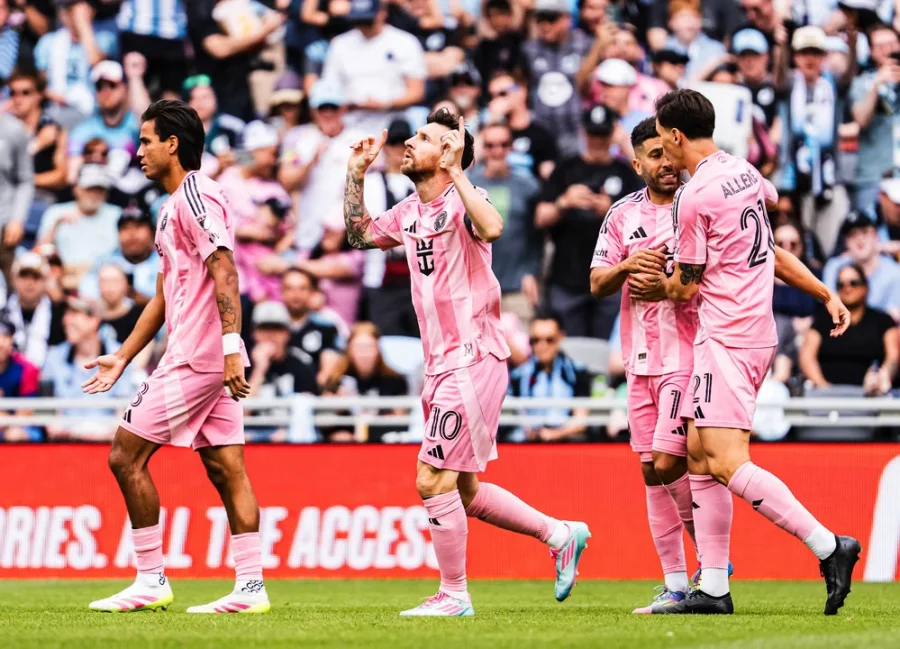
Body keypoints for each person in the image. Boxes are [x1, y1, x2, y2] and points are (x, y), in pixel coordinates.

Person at [342, 106, 589, 616]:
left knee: (431, 479)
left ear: (448, 155)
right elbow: (360, 235)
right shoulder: (409, 211)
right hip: (439, 365)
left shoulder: (465, 200)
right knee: (465, 491)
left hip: (474, 357)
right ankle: (559, 534)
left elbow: (494, 227)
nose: (410, 142)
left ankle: (454, 594)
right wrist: (355, 174)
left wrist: (458, 172)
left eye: (424, 137)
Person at [654, 88, 859, 615]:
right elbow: (767, 242)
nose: (662, 151)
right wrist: (825, 293)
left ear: (675, 135)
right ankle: (713, 588)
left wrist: (656, 274)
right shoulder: (744, 172)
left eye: (661, 140)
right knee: (697, 452)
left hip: (729, 335)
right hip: (746, 330)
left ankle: (828, 545)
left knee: (726, 460)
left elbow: (683, 289)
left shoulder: (694, 196)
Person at [81, 100, 269, 615]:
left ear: (172, 144)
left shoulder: (197, 195)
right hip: (207, 354)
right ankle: (251, 588)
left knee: (124, 456)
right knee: (226, 467)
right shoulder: (170, 207)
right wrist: (123, 356)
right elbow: (164, 295)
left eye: (146, 141)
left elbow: (225, 269)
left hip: (199, 357)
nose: (138, 151)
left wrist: (229, 350)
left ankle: (150, 579)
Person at [589, 118, 699, 612]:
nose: (666, 163)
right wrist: (627, 266)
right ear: (638, 164)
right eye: (654, 156)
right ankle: (675, 583)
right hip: (639, 360)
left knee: (669, 460)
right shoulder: (621, 215)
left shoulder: (697, 204)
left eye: (668, 153)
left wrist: (671, 283)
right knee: (651, 470)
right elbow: (597, 283)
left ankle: (712, 560)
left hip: (687, 355)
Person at [536, 105, 643, 339]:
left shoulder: (625, 173)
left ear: (612, 134)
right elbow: (541, 217)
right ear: (583, 133)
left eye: (603, 134)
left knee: (607, 350)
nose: (597, 141)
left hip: (611, 279)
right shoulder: (565, 168)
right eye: (593, 134)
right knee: (571, 350)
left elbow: (644, 223)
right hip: (568, 278)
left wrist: (611, 211)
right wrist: (564, 202)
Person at [467, 122, 542, 326]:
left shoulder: (528, 186)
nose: (497, 151)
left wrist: (531, 272)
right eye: (490, 145)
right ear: (483, 148)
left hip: (518, 286)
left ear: (511, 147)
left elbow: (537, 235)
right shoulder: (468, 185)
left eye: (503, 144)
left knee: (522, 344)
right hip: (477, 287)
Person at [319, 0, 426, 133]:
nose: (363, 25)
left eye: (367, 20)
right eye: (359, 20)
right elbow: (329, 88)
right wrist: (350, 104)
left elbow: (416, 91)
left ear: (383, 13)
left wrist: (385, 104)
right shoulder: (340, 44)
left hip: (394, 124)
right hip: (350, 124)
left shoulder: (405, 42)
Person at [800, 263, 899, 395]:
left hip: (872, 394)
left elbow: (893, 357)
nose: (847, 288)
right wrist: (824, 387)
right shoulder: (822, 320)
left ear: (865, 287)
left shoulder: (883, 321)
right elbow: (807, 356)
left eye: (854, 283)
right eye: (841, 284)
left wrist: (881, 381)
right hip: (826, 394)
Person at [44, 297, 133, 441]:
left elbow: (124, 411)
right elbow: (49, 414)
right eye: (66, 314)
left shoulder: (119, 356)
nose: (66, 320)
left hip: (108, 440)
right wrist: (67, 433)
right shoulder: (54, 357)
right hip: (66, 441)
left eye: (74, 314)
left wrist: (104, 436)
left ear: (94, 320)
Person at [519, 0, 591, 158]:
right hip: (542, 129)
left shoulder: (584, 45)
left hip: (575, 129)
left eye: (551, 19)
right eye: (540, 19)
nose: (545, 25)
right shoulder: (530, 49)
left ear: (567, 19)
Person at [507, 314, 591, 441]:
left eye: (549, 340)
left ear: (561, 337)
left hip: (566, 442)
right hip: (527, 442)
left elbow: (581, 421)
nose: (542, 346)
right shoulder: (518, 375)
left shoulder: (577, 372)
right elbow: (512, 416)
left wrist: (555, 434)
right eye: (536, 340)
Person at [321, 321, 410, 443]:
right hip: (345, 444)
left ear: (378, 349)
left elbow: (401, 421)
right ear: (349, 349)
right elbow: (323, 423)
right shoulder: (335, 380)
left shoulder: (395, 380)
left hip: (382, 442)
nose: (364, 354)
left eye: (369, 347)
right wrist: (337, 406)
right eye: (359, 348)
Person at [36, 164, 121, 272]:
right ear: (76, 189)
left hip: (106, 275)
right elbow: (40, 252)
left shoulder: (116, 214)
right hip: (66, 274)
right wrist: (57, 224)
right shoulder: (56, 212)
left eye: (100, 190)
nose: (94, 194)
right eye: (89, 189)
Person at [822, 210, 900, 321]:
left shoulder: (895, 272)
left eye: (864, 232)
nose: (859, 239)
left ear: (876, 236)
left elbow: (894, 316)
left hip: (881, 330)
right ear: (846, 242)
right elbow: (830, 309)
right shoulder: (834, 267)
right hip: (841, 328)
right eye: (852, 234)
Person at [78, 203, 161, 304]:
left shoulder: (163, 263)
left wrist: (139, 298)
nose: (131, 234)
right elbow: (86, 291)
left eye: (138, 227)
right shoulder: (105, 262)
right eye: (125, 228)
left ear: (152, 232)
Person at [485, 70, 558, 181]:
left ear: (522, 92)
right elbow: (472, 163)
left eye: (502, 94)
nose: (496, 100)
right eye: (492, 96)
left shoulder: (541, 134)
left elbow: (548, 176)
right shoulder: (488, 130)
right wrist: (493, 121)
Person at [278, 267, 343, 382]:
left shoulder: (326, 327)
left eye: (302, 288)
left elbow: (328, 373)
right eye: (290, 288)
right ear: (281, 292)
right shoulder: (269, 326)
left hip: (313, 391)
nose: (296, 294)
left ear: (312, 292)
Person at [5, 251, 66, 368]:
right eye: (24, 275)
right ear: (13, 279)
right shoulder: (3, 312)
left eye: (36, 277)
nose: (30, 283)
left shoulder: (60, 315)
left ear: (45, 281)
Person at [0, 109, 34, 282]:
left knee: (10, 286)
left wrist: (17, 219)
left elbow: (25, 180)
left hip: (4, 223)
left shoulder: (14, 130)